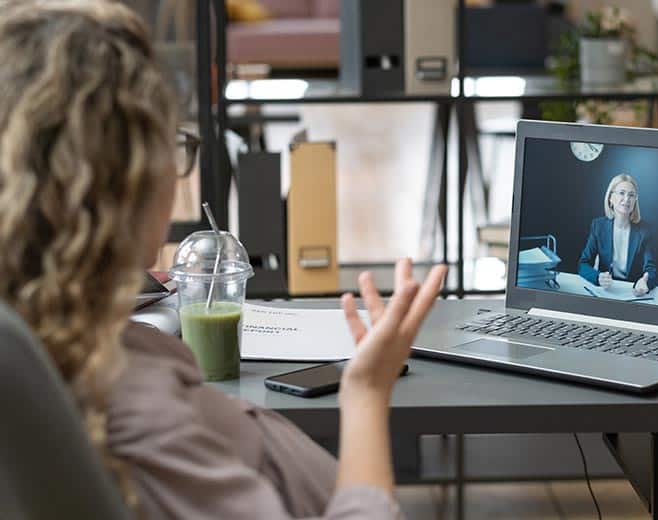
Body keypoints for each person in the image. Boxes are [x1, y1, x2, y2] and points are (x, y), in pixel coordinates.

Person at [0, 1, 447, 518]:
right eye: (172, 145)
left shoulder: (69, 332)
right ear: (125, 183)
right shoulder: (133, 411)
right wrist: (367, 392)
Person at [578, 174, 657, 296]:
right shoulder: (598, 226)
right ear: (611, 198)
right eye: (621, 193)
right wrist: (598, 277)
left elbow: (651, 269)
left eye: (631, 195)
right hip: (607, 291)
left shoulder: (644, 230)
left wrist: (646, 281)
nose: (626, 199)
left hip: (633, 292)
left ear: (635, 200)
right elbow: (583, 264)